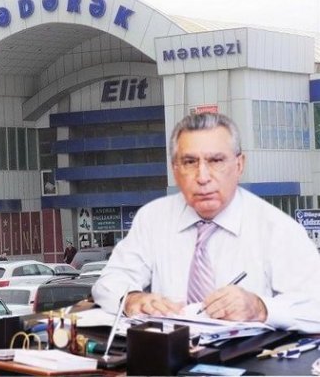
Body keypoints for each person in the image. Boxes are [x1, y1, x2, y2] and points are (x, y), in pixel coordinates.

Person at [92, 112, 320, 332]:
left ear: (239, 165)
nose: (202, 177)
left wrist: (261, 308)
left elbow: (315, 305)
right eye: (190, 162)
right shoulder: (153, 218)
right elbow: (109, 281)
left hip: (248, 355)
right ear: (175, 169)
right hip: (168, 351)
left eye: (216, 160)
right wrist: (131, 299)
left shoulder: (277, 228)